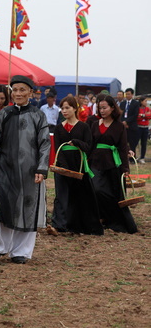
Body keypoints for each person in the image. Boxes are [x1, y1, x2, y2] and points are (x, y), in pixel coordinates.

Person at [0, 75, 51, 264]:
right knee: (2, 208)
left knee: (27, 209)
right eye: (14, 90)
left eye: (22, 90)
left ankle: (20, 252)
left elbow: (45, 143)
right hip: (5, 168)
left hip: (30, 171)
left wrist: (42, 167)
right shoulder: (4, 114)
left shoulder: (38, 115)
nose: (18, 93)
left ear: (31, 93)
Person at [49, 96, 102, 235]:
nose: (64, 111)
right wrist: (64, 167)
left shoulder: (84, 127)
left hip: (79, 165)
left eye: (67, 108)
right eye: (62, 108)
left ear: (75, 108)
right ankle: (59, 225)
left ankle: (80, 224)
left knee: (80, 195)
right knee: (61, 194)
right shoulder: (59, 128)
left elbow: (89, 147)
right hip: (62, 165)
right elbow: (57, 148)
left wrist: (77, 142)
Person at [89, 95, 137, 234]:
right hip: (96, 163)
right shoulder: (94, 124)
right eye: (99, 108)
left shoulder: (119, 127)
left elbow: (122, 147)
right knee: (96, 189)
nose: (102, 110)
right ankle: (101, 216)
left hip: (112, 164)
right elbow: (90, 145)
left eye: (104, 107)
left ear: (112, 108)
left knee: (114, 193)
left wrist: (125, 168)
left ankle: (110, 219)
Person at [119, 88, 140, 161]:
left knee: (132, 143)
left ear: (132, 94)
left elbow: (135, 115)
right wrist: (123, 122)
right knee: (123, 142)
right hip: (123, 126)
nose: (127, 95)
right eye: (126, 94)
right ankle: (123, 158)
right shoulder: (123, 103)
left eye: (129, 94)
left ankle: (132, 159)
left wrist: (127, 122)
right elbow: (120, 114)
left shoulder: (136, 103)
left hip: (132, 126)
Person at [137, 97, 150, 163]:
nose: (146, 102)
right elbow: (138, 117)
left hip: (145, 128)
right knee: (136, 142)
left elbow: (150, 116)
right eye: (145, 101)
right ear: (141, 102)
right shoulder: (138, 109)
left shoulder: (147, 108)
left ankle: (142, 157)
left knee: (144, 143)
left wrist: (142, 115)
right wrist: (145, 115)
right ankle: (135, 156)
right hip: (139, 127)